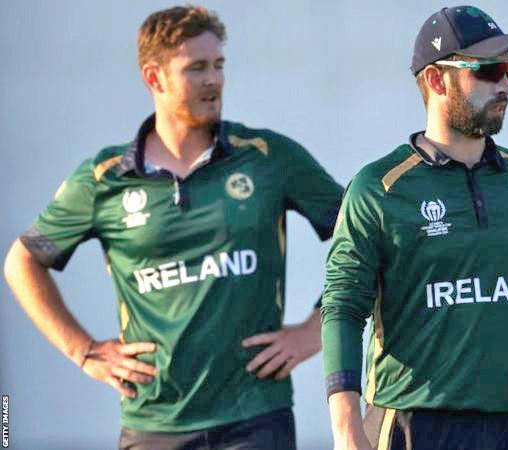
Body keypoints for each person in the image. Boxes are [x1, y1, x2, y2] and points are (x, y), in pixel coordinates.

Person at [3, 5, 343, 449]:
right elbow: (23, 261)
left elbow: (369, 239)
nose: (213, 80)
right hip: (153, 423)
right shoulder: (104, 178)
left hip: (255, 417)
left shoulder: (267, 157)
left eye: (219, 65)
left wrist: (315, 330)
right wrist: (82, 350)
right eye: (196, 68)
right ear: (154, 77)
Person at [321, 6, 508, 450]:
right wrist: (347, 432)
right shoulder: (380, 188)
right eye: (489, 70)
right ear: (436, 80)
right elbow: (343, 308)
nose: (505, 85)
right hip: (418, 424)